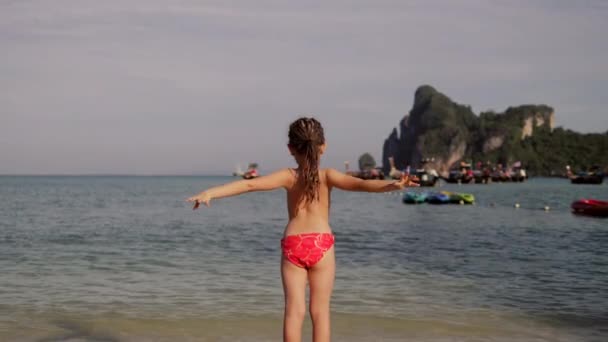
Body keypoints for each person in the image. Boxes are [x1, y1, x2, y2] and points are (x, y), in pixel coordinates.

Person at [186, 117, 419, 342]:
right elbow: (363, 185)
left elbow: (250, 184)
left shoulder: (288, 176)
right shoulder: (328, 176)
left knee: (293, 312)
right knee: (320, 313)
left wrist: (211, 193)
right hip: (322, 244)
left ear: (290, 148)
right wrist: (393, 184)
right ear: (323, 147)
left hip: (293, 244)